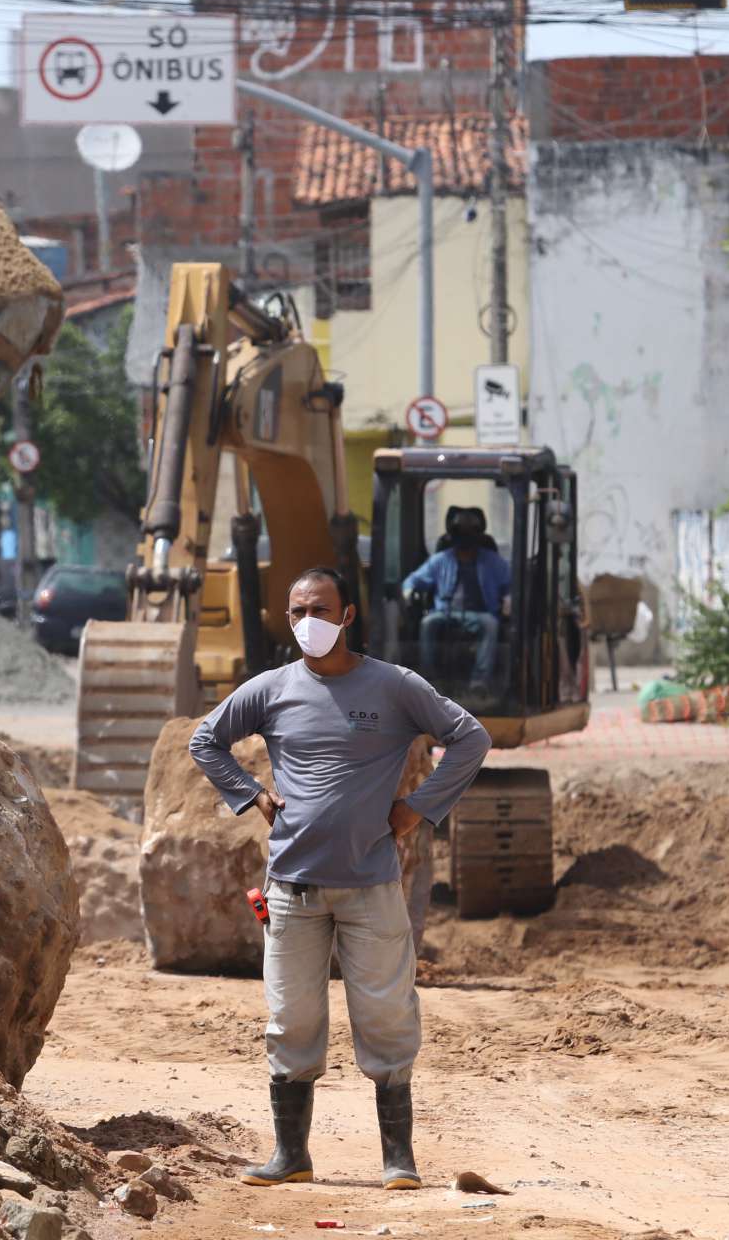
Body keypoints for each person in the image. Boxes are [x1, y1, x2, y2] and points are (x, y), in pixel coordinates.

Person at [188, 567, 491, 1191]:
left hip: (371, 886)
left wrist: (419, 807)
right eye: (297, 612)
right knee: (290, 1020)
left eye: (320, 610)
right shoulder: (271, 689)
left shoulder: (393, 686)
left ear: (347, 615)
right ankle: (290, 1155)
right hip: (292, 889)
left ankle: (397, 1160)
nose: (308, 623)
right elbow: (205, 740)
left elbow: (469, 737)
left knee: (385, 1017)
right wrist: (251, 796)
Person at [401, 506, 511, 692]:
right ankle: (429, 680)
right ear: (453, 533)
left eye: (470, 531)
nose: (465, 535)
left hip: (480, 614)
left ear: (478, 533)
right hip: (445, 612)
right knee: (427, 623)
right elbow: (413, 580)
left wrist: (509, 599)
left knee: (492, 624)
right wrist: (409, 591)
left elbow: (511, 584)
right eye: (461, 530)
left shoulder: (492, 561)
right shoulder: (440, 560)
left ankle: (479, 682)